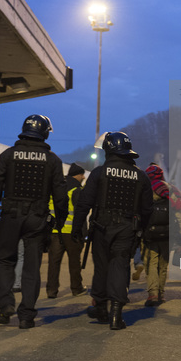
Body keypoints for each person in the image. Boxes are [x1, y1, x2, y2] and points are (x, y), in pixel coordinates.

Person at [0, 114, 68, 329]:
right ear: (45, 133)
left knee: (5, 261)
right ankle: (27, 315)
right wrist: (59, 221)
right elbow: (60, 196)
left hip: (10, 216)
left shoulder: (8, 155)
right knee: (31, 268)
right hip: (37, 219)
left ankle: (5, 305)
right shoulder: (53, 160)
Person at [72, 132, 153, 330]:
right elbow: (147, 209)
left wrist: (77, 228)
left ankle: (100, 308)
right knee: (120, 266)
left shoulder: (100, 173)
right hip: (127, 228)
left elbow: (84, 203)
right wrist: (141, 232)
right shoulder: (141, 176)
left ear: (108, 150)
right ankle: (116, 314)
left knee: (102, 267)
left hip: (101, 226)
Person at [142, 163, 181, 306]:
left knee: (151, 263)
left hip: (151, 233)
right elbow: (179, 210)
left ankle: (152, 294)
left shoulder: (145, 189)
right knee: (163, 265)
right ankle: (161, 294)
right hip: (167, 233)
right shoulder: (171, 189)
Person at [46, 163, 88, 298]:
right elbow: (80, 213)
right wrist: (83, 233)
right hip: (70, 232)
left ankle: (51, 290)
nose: (83, 178)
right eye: (83, 175)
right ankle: (76, 288)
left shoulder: (57, 186)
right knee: (74, 262)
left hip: (54, 231)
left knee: (53, 261)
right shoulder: (76, 189)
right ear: (79, 175)